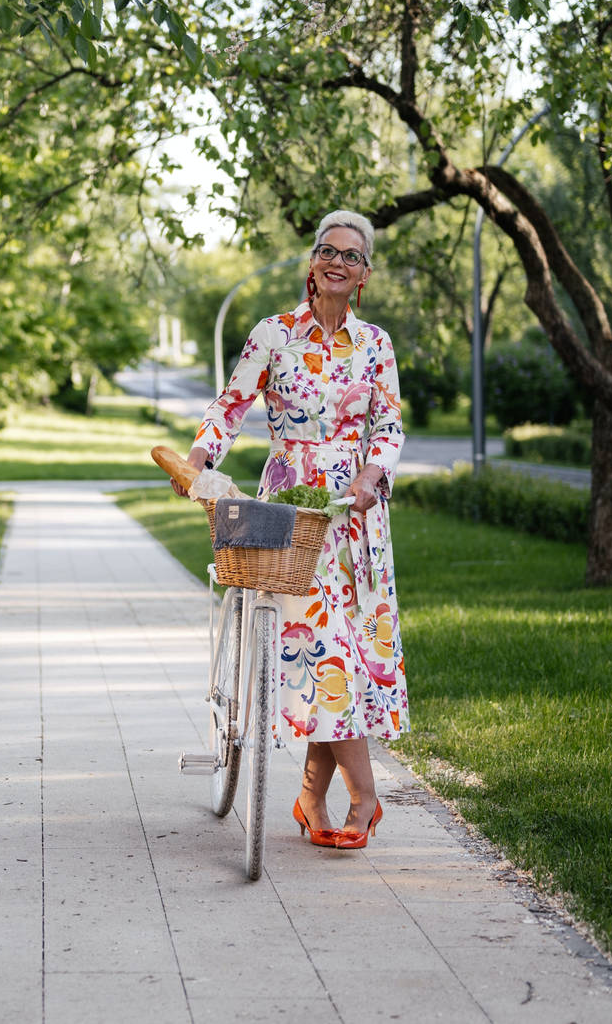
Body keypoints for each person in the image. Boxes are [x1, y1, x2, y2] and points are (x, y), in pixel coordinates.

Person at [178, 210, 407, 849]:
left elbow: (388, 427)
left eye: (352, 256)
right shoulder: (273, 334)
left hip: (357, 515)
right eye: (327, 251)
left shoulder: (376, 345)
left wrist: (371, 476)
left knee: (352, 658)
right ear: (312, 262)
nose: (338, 262)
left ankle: (310, 796)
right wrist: (199, 459)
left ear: (365, 273)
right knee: (322, 650)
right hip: (292, 507)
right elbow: (230, 406)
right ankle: (365, 798)